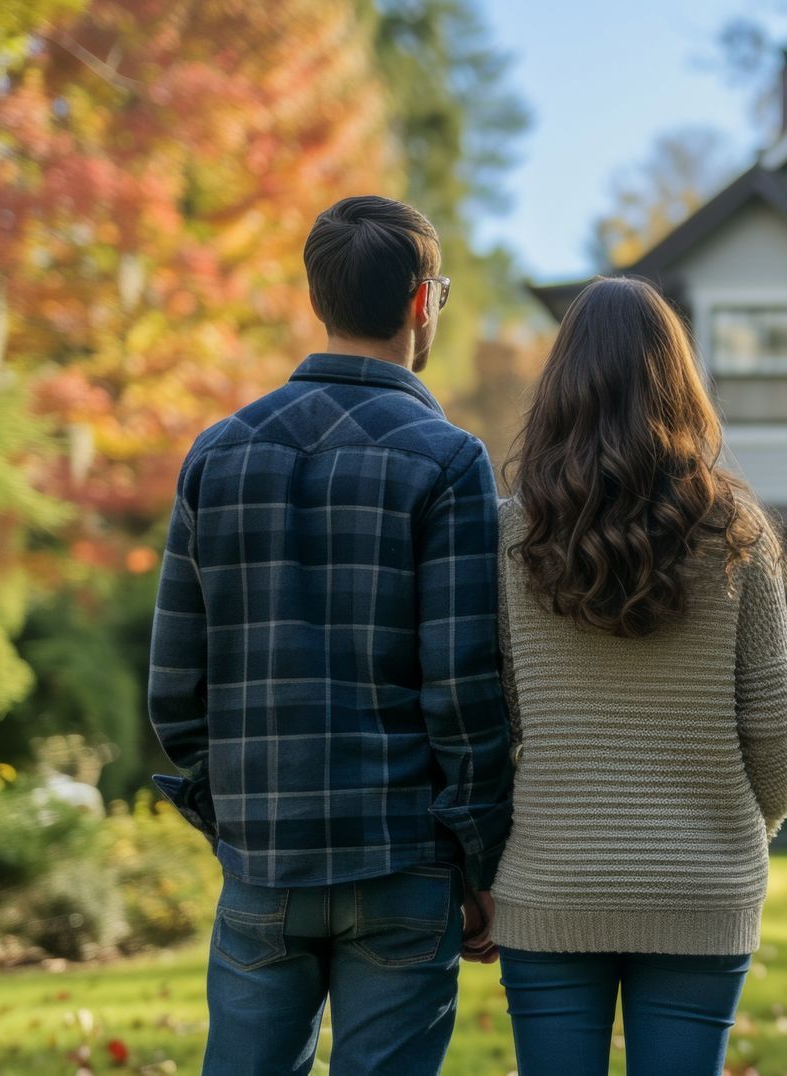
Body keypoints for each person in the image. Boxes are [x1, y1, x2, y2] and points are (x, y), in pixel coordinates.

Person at [147, 195, 513, 1075]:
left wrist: (232, 820)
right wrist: (480, 861)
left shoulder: (216, 454)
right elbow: (461, 691)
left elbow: (172, 690)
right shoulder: (449, 461)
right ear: (424, 302)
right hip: (400, 861)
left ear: (320, 299)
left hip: (263, 860)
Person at [493, 276, 787, 1075]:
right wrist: (728, 836)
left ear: (562, 386)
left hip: (553, 881)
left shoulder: (511, 535)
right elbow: (776, 743)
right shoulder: (738, 534)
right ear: (680, 383)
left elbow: (498, 723)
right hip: (702, 886)